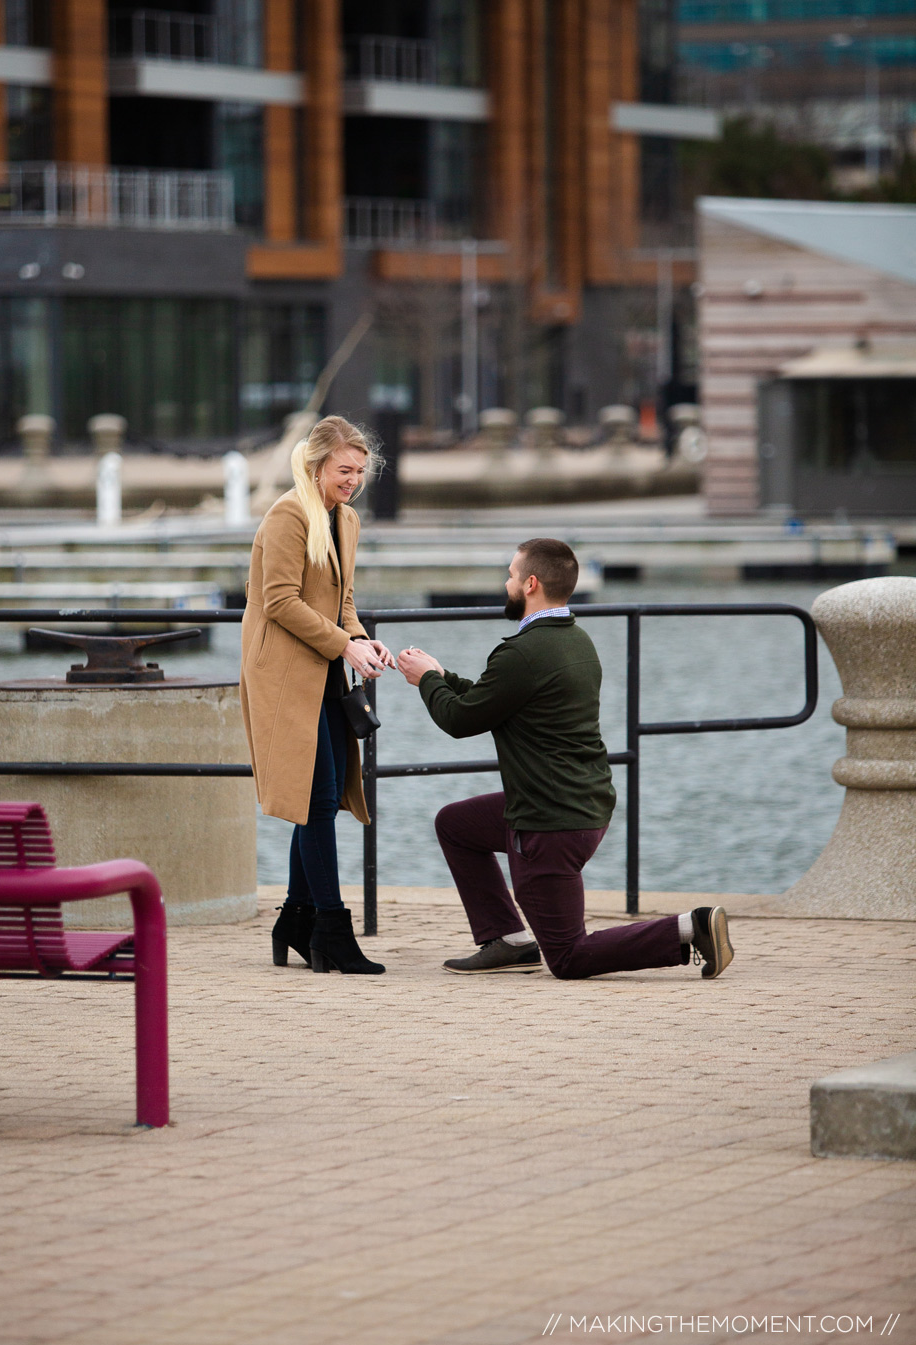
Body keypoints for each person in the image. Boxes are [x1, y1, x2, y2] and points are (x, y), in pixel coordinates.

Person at [398, 538, 733, 981]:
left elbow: (459, 720)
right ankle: (508, 940)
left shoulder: (523, 652)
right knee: (456, 825)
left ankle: (690, 928)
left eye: (512, 575)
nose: (506, 582)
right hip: (582, 805)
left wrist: (426, 683)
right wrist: (440, 676)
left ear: (530, 584)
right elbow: (490, 697)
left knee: (569, 957)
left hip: (549, 824)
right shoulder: (576, 640)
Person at [240, 415, 395, 975]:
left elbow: (342, 601)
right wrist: (343, 645)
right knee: (317, 803)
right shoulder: (287, 515)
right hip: (283, 675)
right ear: (316, 466)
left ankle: (295, 921)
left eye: (359, 472)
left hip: (326, 671)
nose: (352, 480)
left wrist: (361, 643)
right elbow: (279, 601)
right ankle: (330, 930)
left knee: (319, 802)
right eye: (343, 471)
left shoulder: (346, 519)